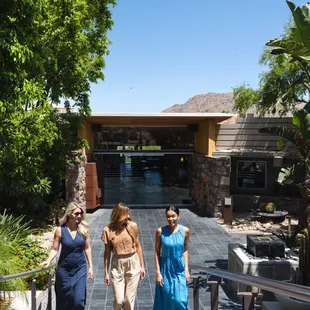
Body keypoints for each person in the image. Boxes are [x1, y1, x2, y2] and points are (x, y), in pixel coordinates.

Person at [40, 202, 93, 310]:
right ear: (69, 214)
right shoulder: (60, 230)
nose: (79, 216)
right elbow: (55, 249)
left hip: (80, 267)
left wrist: (91, 266)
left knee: (79, 300)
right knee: (65, 298)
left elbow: (87, 248)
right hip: (64, 269)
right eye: (76, 213)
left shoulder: (84, 230)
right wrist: (48, 260)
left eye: (81, 213)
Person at [102, 202, 146, 310]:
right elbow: (107, 252)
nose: (129, 217)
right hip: (117, 264)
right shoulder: (108, 230)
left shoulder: (132, 226)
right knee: (119, 300)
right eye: (126, 214)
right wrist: (106, 272)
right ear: (119, 215)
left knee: (128, 300)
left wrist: (142, 266)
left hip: (133, 262)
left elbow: (138, 246)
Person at [153, 205, 190, 310]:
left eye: (173, 216)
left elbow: (185, 249)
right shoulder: (160, 231)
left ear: (178, 215)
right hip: (166, 268)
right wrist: (158, 273)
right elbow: (156, 252)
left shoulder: (185, 231)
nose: (171, 219)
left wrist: (186, 269)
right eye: (168, 217)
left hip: (179, 267)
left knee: (181, 299)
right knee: (167, 298)